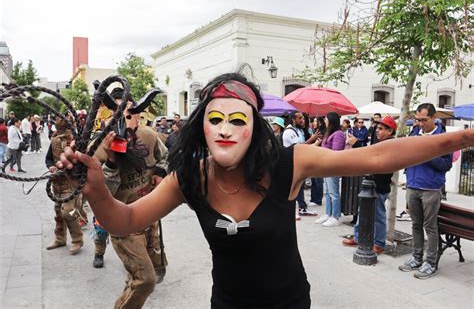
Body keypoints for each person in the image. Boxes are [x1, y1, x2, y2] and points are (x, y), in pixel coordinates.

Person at [56, 73, 474, 308]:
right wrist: (95, 188)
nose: (224, 129)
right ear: (201, 124)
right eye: (215, 118)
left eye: (237, 120)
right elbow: (123, 220)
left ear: (255, 127)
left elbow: (382, 158)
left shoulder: (290, 164)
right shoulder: (191, 178)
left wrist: (463, 138)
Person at [91, 87, 169, 308]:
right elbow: (102, 193)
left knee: (150, 271)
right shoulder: (100, 146)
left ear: (138, 114)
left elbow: (165, 156)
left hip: (150, 215)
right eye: (118, 114)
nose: (125, 119)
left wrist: (160, 173)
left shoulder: (149, 135)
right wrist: (112, 161)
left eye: (129, 113)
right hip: (124, 223)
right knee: (146, 281)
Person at [399, 103, 453, 280]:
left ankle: (430, 262)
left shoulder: (442, 138)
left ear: (434, 117)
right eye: (418, 120)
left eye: (424, 120)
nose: (420, 123)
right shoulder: (414, 133)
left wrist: (427, 155)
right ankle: (416, 257)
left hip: (430, 188)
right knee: (415, 225)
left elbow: (446, 165)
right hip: (413, 186)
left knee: (430, 227)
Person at [342, 116, 397, 253]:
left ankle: (379, 243)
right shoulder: (380, 142)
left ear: (390, 131)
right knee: (363, 211)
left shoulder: (390, 145)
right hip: (371, 184)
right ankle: (358, 236)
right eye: (377, 128)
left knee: (378, 215)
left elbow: (372, 158)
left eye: (381, 129)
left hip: (380, 186)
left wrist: (357, 144)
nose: (377, 131)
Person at [44, 114, 83, 254]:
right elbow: (48, 159)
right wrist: (51, 167)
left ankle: (77, 240)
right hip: (57, 184)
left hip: (71, 183)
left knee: (68, 212)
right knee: (58, 211)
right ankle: (60, 238)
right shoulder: (54, 140)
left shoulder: (75, 140)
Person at [282, 111, 318, 219]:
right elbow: (298, 147)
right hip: (291, 163)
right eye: (300, 118)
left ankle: (302, 208)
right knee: (293, 188)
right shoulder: (289, 132)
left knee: (299, 186)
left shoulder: (298, 130)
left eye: (303, 118)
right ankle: (293, 210)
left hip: (297, 162)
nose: (302, 120)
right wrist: (312, 140)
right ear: (293, 120)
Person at [314, 112, 346, 227]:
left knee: (333, 193)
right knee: (327, 192)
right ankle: (328, 213)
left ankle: (336, 216)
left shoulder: (338, 134)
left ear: (331, 121)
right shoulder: (329, 133)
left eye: (326, 120)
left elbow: (335, 152)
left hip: (333, 167)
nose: (325, 122)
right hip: (326, 167)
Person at [309, 117, 326, 206]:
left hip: (318, 157)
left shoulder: (321, 132)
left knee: (318, 179)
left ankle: (317, 200)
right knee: (314, 179)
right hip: (313, 156)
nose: (314, 122)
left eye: (316, 121)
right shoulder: (315, 131)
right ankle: (313, 198)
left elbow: (319, 143)